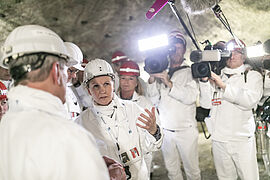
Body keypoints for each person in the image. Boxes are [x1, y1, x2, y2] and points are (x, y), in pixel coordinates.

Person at [0, 24, 118, 180]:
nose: (73, 77)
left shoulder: (7, 125)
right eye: (66, 70)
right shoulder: (69, 137)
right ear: (56, 71)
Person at [76, 58, 163, 180]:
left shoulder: (133, 109)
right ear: (89, 90)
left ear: (113, 84)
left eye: (106, 84)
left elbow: (153, 147)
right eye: (95, 86)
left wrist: (154, 131)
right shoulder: (82, 122)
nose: (102, 90)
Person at [200, 39, 263, 180]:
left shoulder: (252, 76)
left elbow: (249, 101)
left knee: (249, 177)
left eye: (237, 52)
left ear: (244, 56)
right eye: (229, 52)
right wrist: (204, 82)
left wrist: (223, 86)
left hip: (241, 140)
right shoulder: (218, 75)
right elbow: (206, 104)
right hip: (219, 140)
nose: (232, 56)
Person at [147, 30, 201, 180]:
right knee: (172, 171)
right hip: (166, 131)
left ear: (184, 49)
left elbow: (190, 97)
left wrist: (169, 83)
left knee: (193, 171)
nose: (176, 51)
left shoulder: (191, 71)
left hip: (186, 131)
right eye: (172, 48)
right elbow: (153, 100)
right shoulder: (161, 69)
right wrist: (152, 79)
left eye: (179, 47)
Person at [117, 60, 157, 177]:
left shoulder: (145, 104)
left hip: (142, 155)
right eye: (123, 78)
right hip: (120, 155)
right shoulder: (112, 102)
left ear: (136, 82)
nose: (126, 82)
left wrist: (145, 149)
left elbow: (154, 132)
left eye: (131, 79)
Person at [64, 42, 85, 120]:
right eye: (71, 70)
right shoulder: (50, 93)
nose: (74, 76)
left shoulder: (70, 91)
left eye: (76, 71)